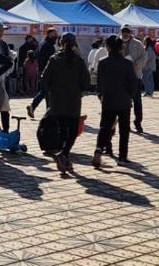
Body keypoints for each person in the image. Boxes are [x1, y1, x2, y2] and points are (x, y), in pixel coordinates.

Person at [40, 33, 89, 176]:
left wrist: (53, 89)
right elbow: (86, 81)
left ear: (60, 43)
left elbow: (44, 78)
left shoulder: (54, 59)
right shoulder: (78, 60)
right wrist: (78, 89)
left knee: (61, 128)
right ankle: (64, 154)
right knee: (73, 130)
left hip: (56, 100)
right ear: (74, 45)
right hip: (73, 100)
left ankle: (63, 156)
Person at [92, 34, 140, 165]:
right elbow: (133, 82)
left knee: (104, 128)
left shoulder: (102, 62)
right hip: (123, 100)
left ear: (107, 47)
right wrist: (130, 95)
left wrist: (100, 94)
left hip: (108, 99)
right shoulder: (127, 63)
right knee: (124, 130)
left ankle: (99, 149)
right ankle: (122, 157)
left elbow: (99, 81)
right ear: (121, 48)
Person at [118, 26, 148, 133]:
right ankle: (125, 123)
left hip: (135, 76)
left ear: (131, 32)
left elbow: (144, 56)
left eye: (127, 31)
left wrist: (138, 64)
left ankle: (138, 122)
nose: (125, 33)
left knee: (137, 101)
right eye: (123, 31)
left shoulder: (138, 43)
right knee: (123, 102)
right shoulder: (117, 42)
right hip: (121, 77)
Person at [26, 28, 59, 118]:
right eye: (55, 34)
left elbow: (36, 56)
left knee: (45, 91)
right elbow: (51, 61)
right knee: (46, 91)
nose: (56, 37)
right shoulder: (48, 45)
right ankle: (37, 107)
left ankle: (47, 111)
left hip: (40, 69)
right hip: (47, 71)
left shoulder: (41, 43)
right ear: (50, 34)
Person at [0, 22, 15, 132]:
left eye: (3, 30)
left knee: (5, 107)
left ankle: (6, 131)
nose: (2, 33)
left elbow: (10, 60)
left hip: (1, 80)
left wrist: (4, 71)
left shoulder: (4, 45)